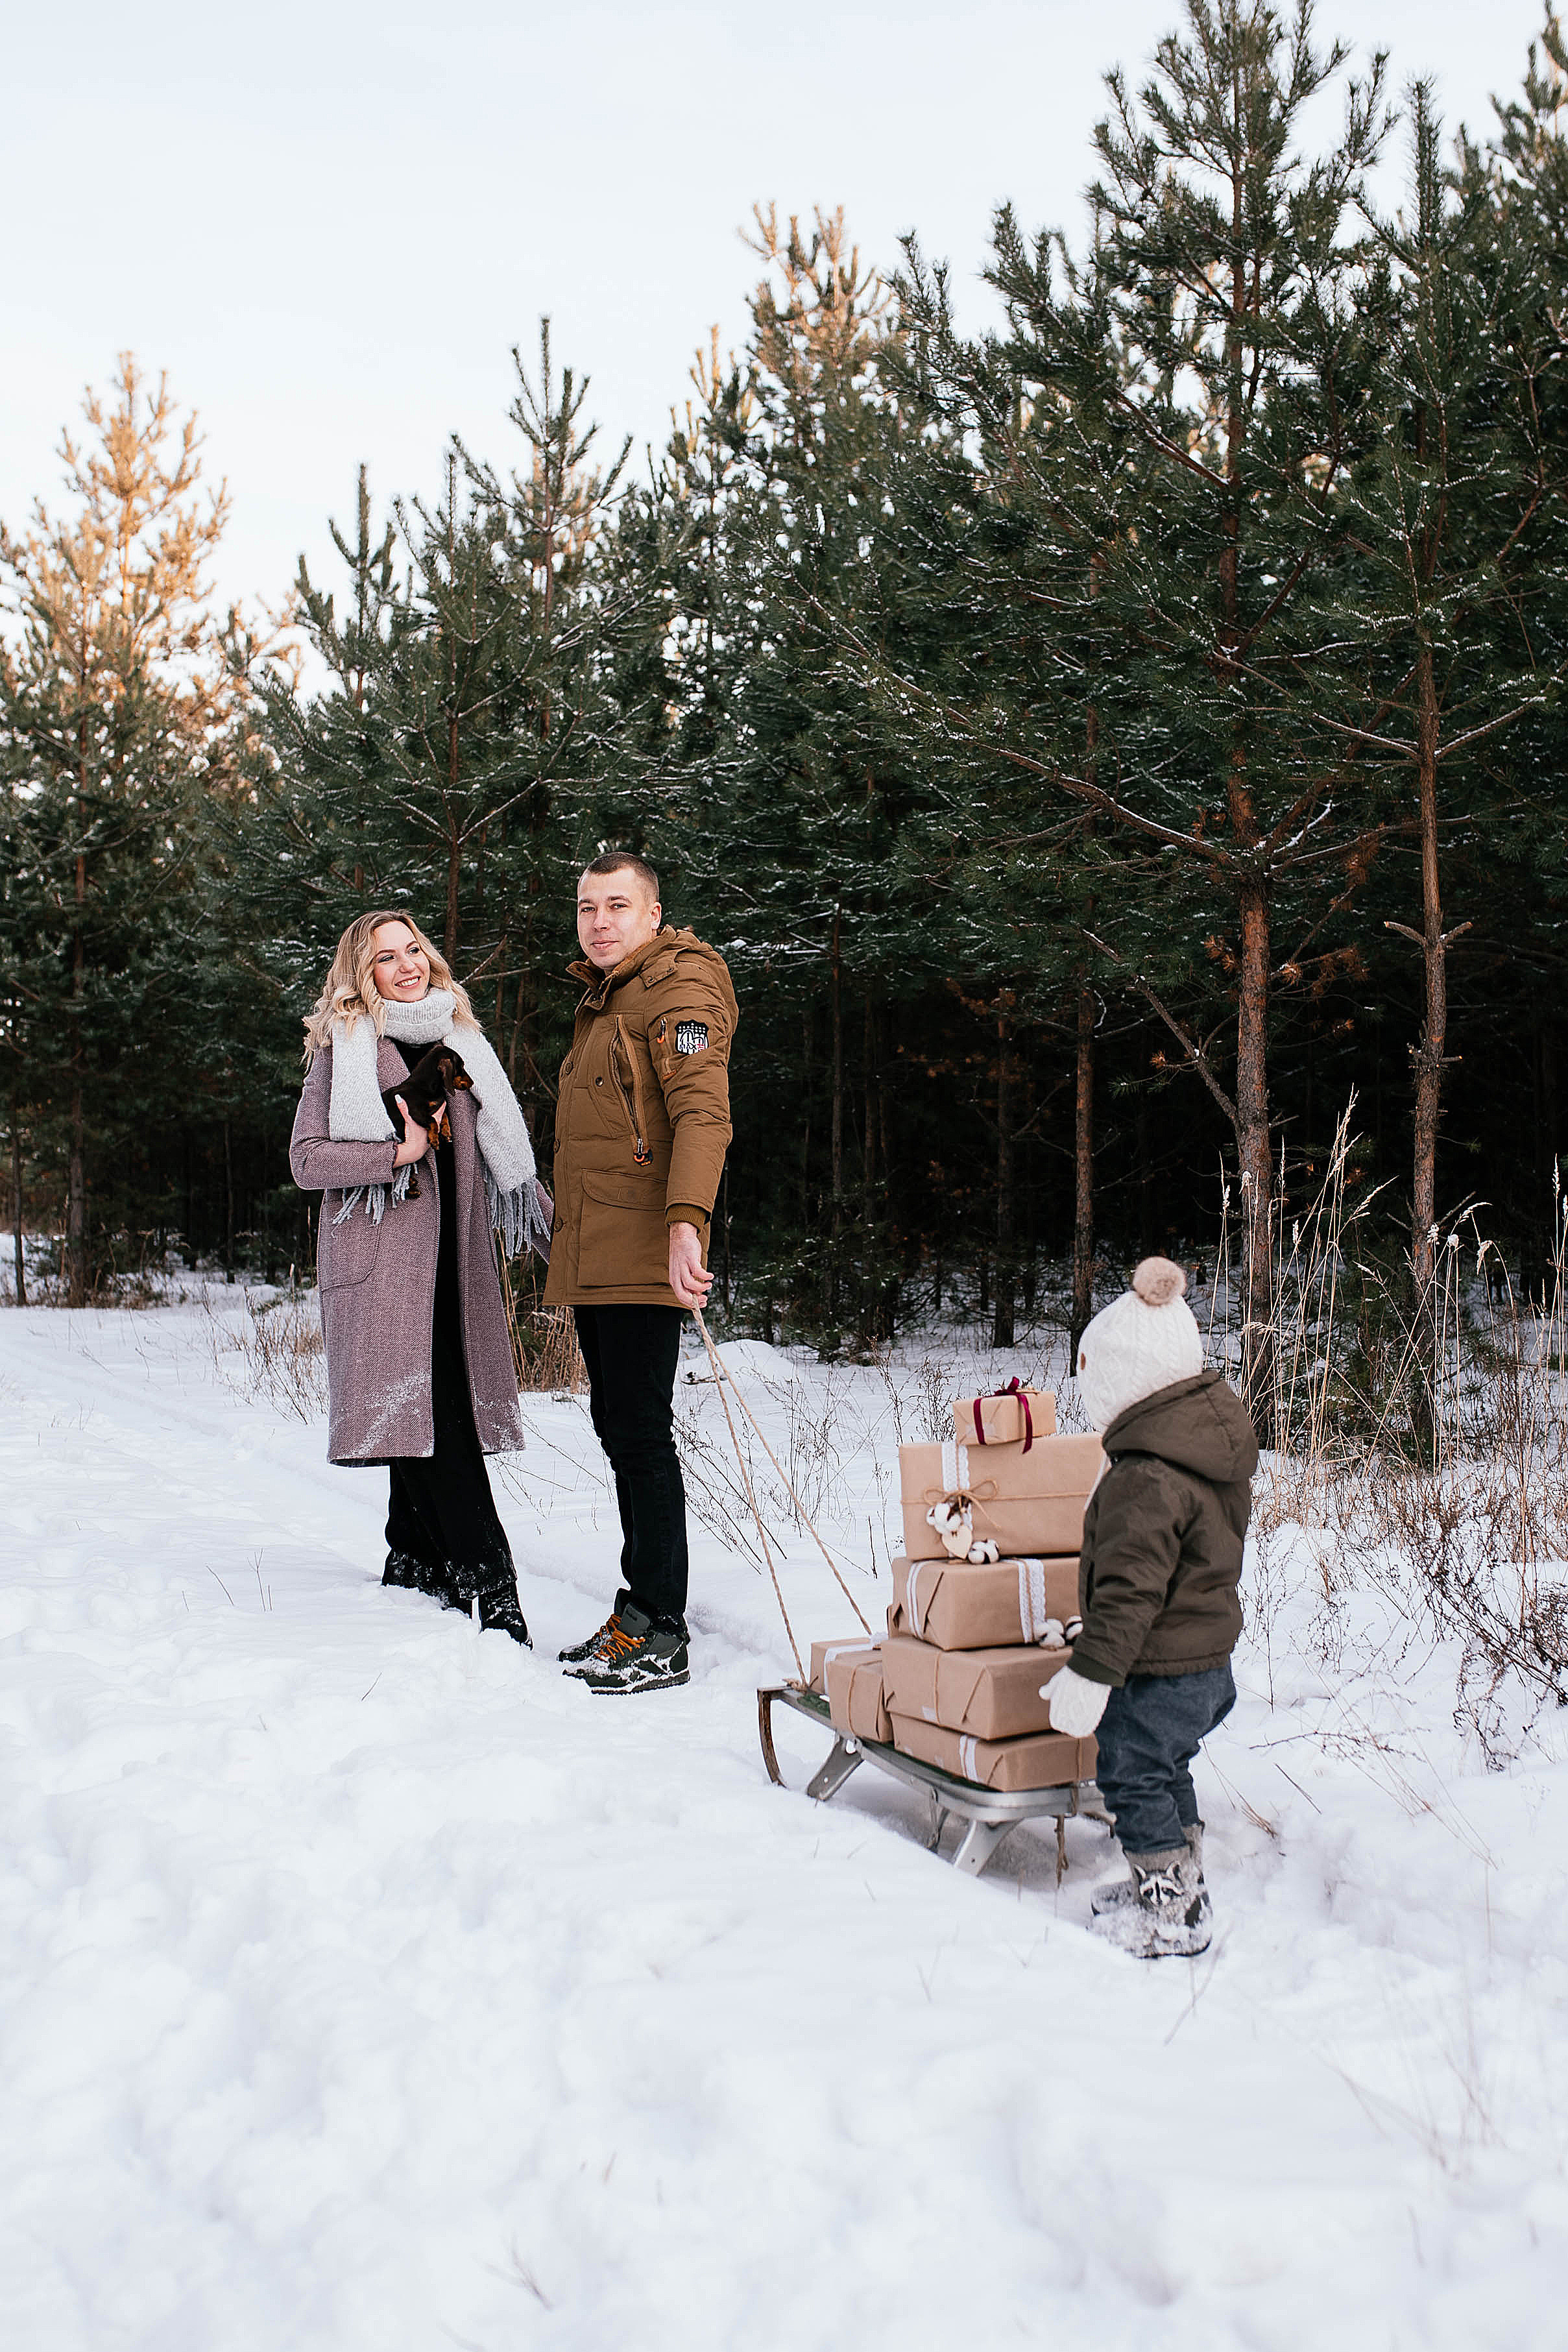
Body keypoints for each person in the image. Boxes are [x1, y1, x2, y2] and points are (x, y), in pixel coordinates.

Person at [289, 911, 549, 1643]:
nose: (407, 966)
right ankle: (492, 1584)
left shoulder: (462, 1042)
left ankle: (414, 1557)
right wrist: (393, 1156)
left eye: (415, 951)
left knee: (427, 1412)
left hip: (453, 1265)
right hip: (380, 1271)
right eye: (386, 958)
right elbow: (306, 1159)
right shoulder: (344, 1053)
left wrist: (574, 1239)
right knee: (438, 1418)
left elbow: (510, 1167)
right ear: (360, 974)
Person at [544, 852, 738, 1694]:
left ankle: (662, 1626)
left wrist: (686, 1222)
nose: (599, 922)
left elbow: (703, 1111)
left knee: (641, 1435)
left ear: (654, 914)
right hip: (601, 1251)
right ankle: (637, 1613)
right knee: (622, 1429)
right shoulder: (608, 996)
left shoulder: (676, 989)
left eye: (617, 905)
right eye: (587, 908)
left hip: (643, 1249)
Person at [1044, 1257, 1259, 1958]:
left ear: (1123, 1377)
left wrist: (1091, 1671)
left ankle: (1170, 1909)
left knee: (1130, 1772)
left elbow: (1130, 1589)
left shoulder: (1145, 1475)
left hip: (1160, 1667)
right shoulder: (1203, 1451)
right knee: (1167, 1768)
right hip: (1206, 1665)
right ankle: (1178, 1871)